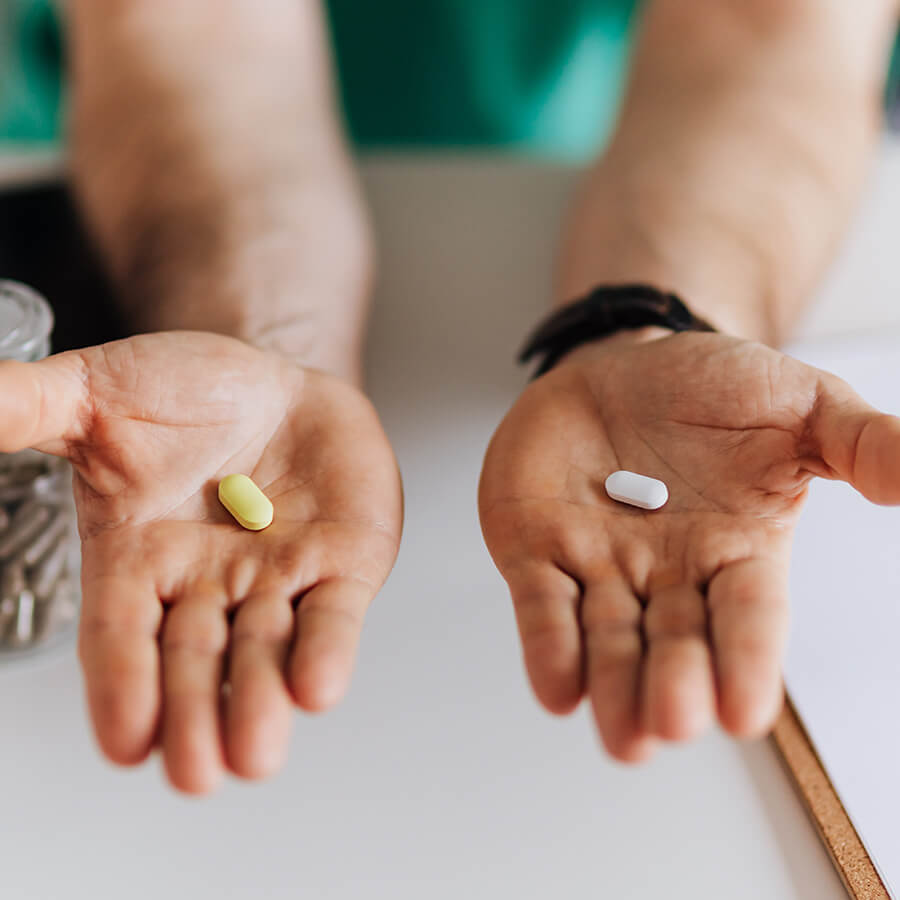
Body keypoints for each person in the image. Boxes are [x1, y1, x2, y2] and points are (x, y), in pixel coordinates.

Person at [1, 0, 900, 795]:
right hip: (167, 142)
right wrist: (261, 343)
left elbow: (770, 32)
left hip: (573, 138)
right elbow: (192, 26)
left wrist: (658, 325)